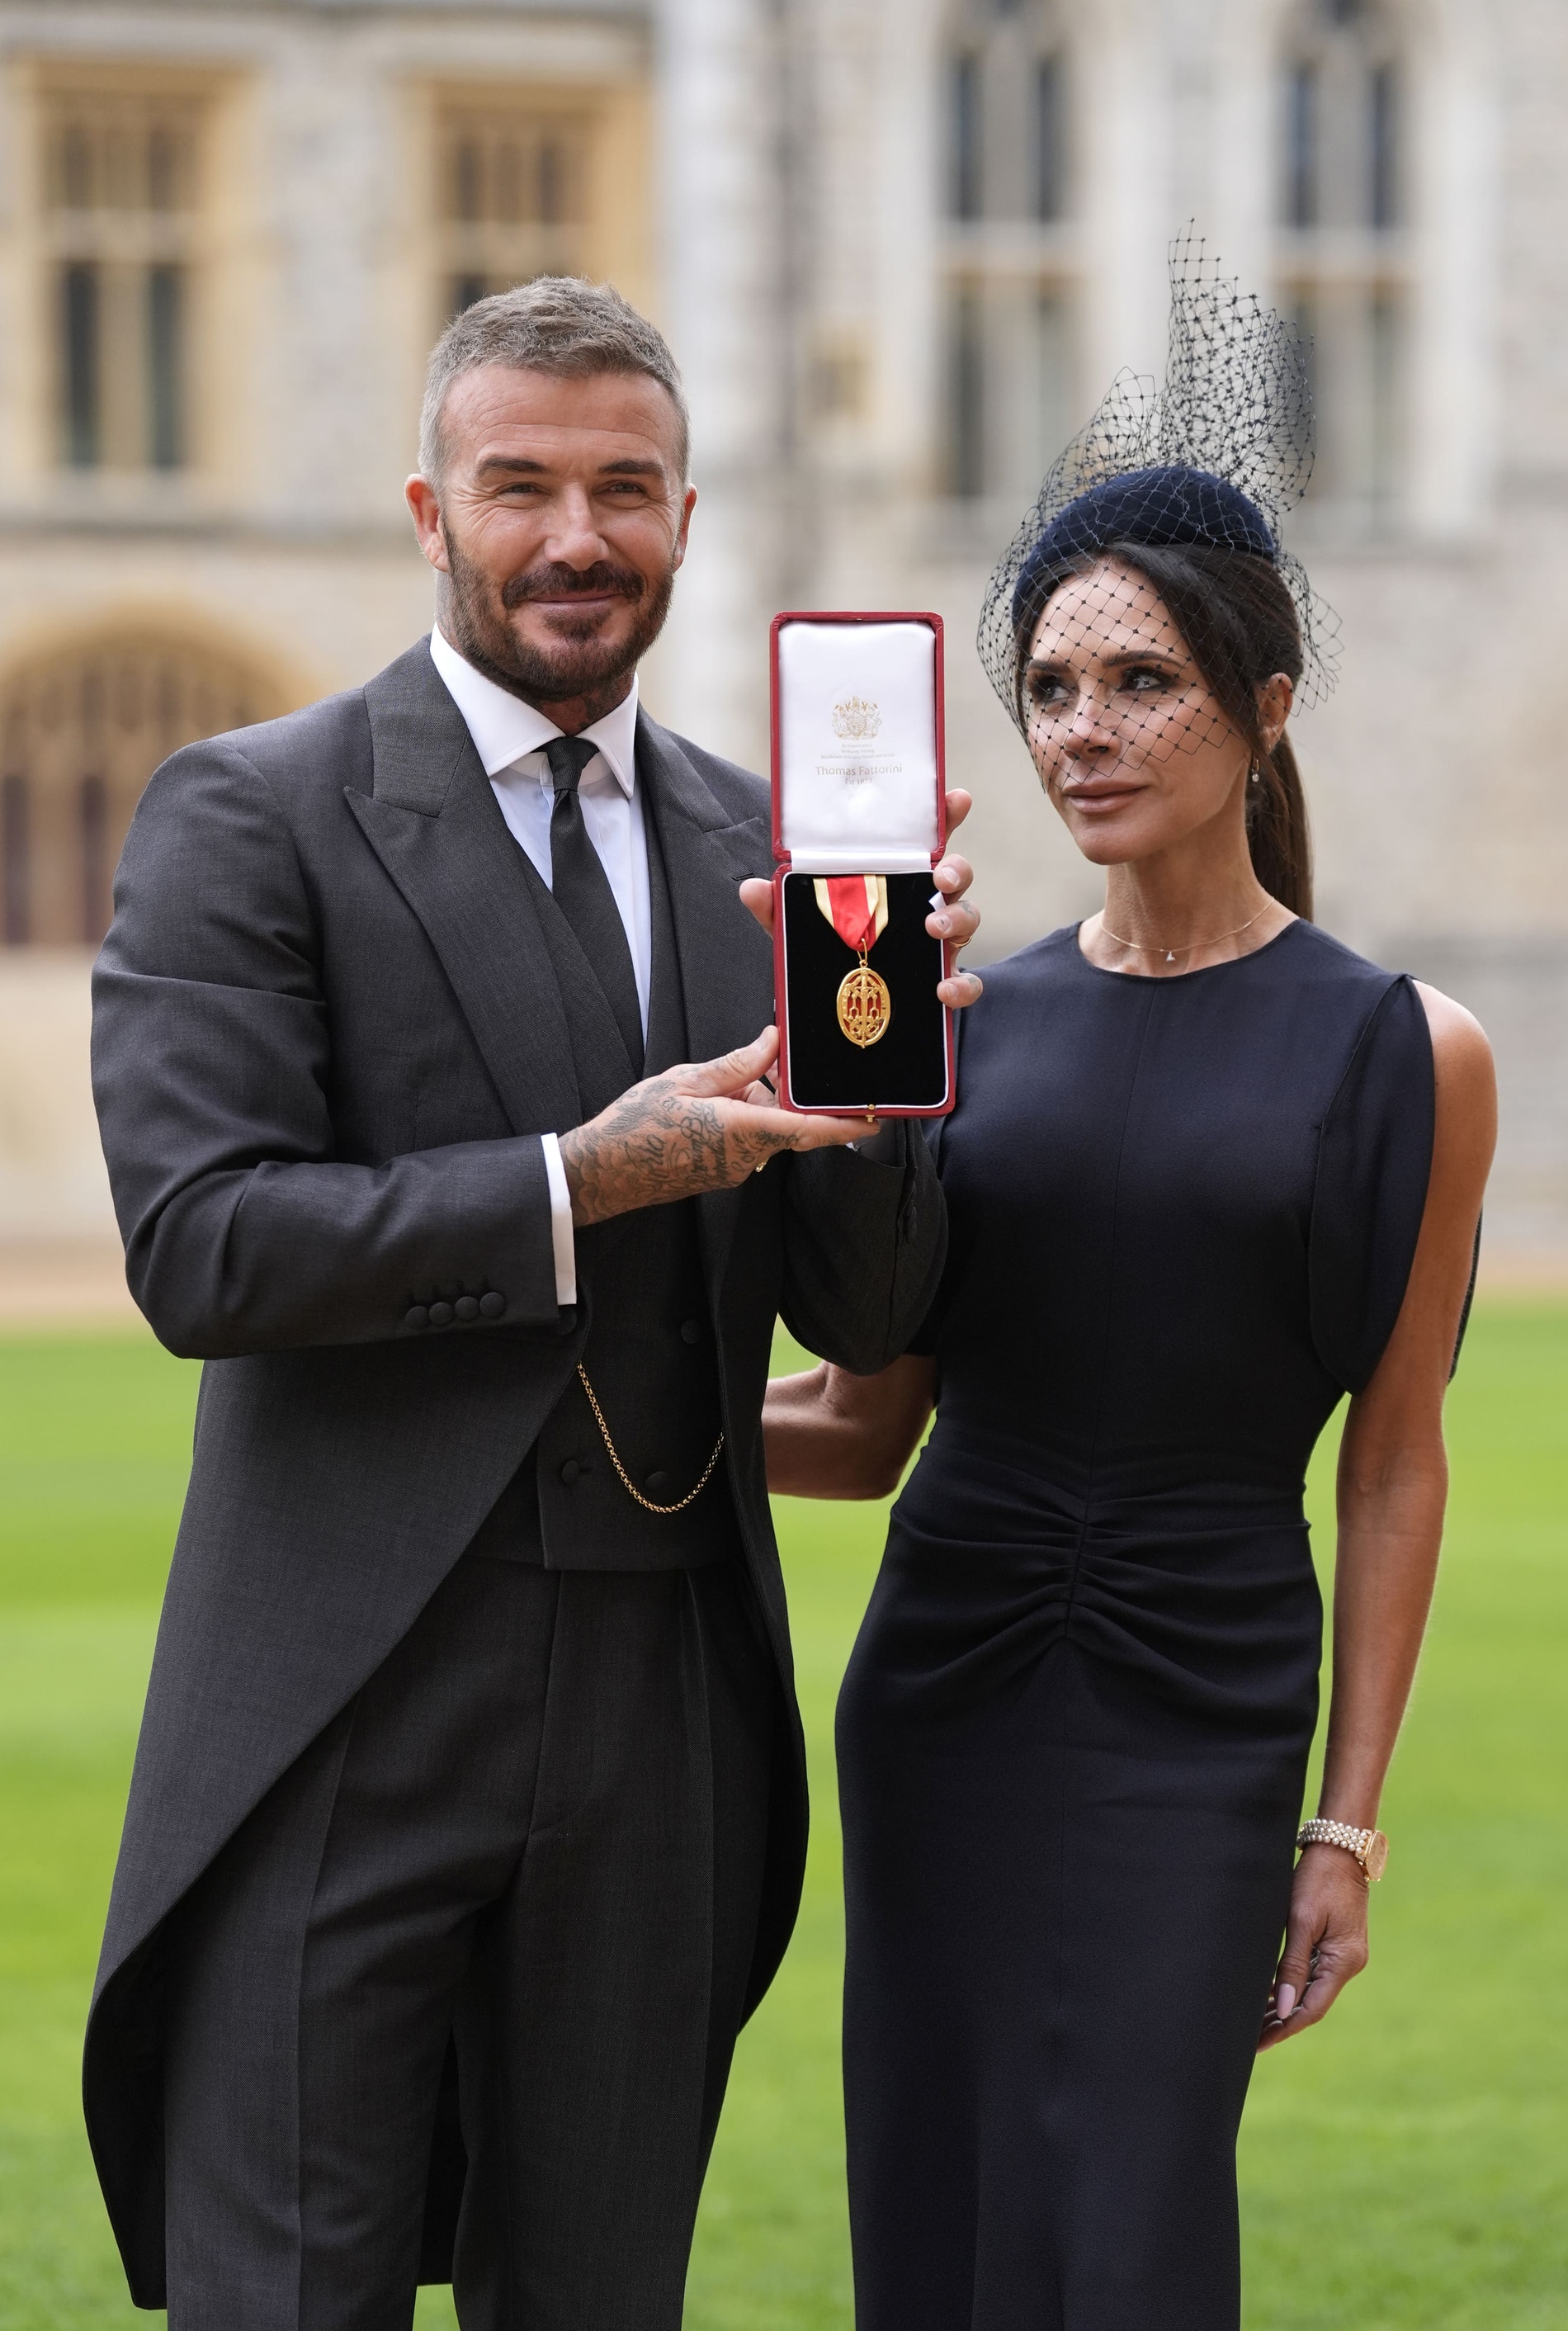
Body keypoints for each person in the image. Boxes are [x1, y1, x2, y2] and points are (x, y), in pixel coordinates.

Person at [83, 276, 981, 2329]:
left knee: (599, 2294)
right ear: (431, 509)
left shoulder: (771, 838)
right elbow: (204, 1242)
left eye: (625, 488)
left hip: (665, 1702)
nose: (577, 534)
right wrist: (594, 1175)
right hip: (348, 1687)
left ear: (686, 513)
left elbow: (864, 1297)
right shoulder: (254, 810)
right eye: (523, 486)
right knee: (289, 2290)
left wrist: (897, 1048)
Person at [763, 253, 1496, 2331]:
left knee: (1135, 2220)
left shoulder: (1410, 1051)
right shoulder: (948, 1015)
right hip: (946, 1677)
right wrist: (589, 1407)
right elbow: (865, 1416)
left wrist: (1345, 1821)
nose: (1086, 729)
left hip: (1205, 1694)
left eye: (1143, 681)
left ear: (1266, 708)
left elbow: (1398, 1459)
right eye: (1054, 688)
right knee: (939, 2180)